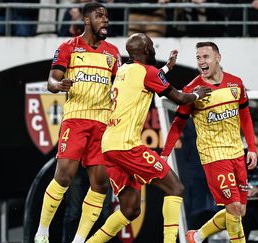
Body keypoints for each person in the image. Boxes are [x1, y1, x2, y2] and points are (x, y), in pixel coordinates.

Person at [85, 33, 211, 243]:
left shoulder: (124, 70)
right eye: (151, 46)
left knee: (131, 209)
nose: (153, 49)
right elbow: (179, 98)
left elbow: (145, 79)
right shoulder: (147, 72)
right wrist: (197, 94)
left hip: (109, 146)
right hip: (127, 146)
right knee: (175, 188)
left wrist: (167, 69)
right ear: (145, 51)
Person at [34, 2, 121, 243]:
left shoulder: (113, 52)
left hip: (103, 123)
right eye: (100, 16)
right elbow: (52, 79)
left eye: (107, 16)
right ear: (86, 20)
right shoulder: (68, 47)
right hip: (76, 119)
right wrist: (57, 86)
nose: (105, 20)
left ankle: (79, 240)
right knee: (63, 177)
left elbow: (119, 87)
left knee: (101, 184)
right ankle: (42, 231)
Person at [161, 41, 257, 243]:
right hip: (213, 155)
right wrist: (164, 153)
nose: (201, 62)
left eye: (205, 57)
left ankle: (196, 236)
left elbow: (245, 116)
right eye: (198, 58)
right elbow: (178, 123)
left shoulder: (235, 83)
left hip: (237, 153)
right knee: (234, 208)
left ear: (218, 58)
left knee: (239, 211)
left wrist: (252, 149)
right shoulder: (192, 89)